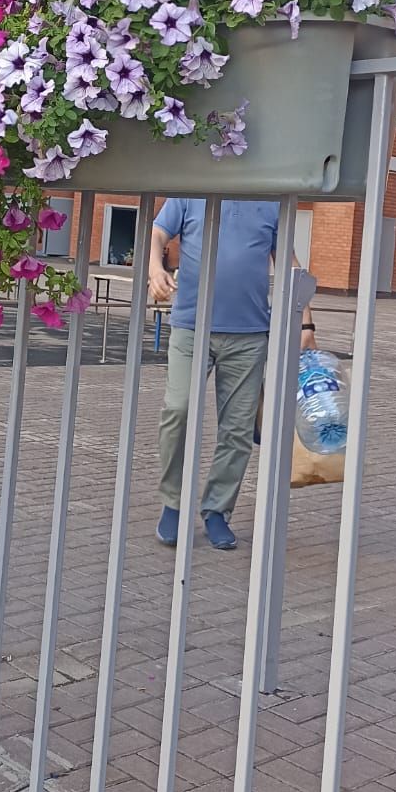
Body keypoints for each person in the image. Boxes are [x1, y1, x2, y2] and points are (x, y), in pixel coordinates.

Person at [148, 197, 315, 551]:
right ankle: (173, 503)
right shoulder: (193, 190)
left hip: (250, 333)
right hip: (192, 327)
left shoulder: (272, 202)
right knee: (178, 409)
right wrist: (155, 268)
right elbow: (158, 233)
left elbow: (291, 264)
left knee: (237, 429)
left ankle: (216, 511)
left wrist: (308, 322)